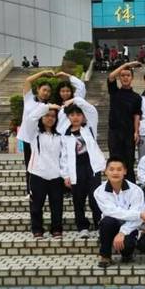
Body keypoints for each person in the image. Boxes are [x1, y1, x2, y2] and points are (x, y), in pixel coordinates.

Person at [60, 97, 105, 237]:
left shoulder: (89, 128)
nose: (75, 117)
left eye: (78, 114)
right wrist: (65, 175)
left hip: (91, 168)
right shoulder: (64, 134)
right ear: (68, 117)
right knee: (78, 199)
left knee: (95, 198)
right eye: (72, 115)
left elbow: (91, 110)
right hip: (76, 169)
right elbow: (63, 157)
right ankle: (82, 227)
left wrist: (74, 99)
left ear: (83, 116)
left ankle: (99, 225)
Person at [22, 102, 64, 239]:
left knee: (57, 205)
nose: (50, 118)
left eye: (53, 116)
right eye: (47, 115)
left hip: (56, 175)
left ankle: (56, 229)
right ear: (41, 117)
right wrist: (48, 106)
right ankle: (37, 229)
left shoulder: (60, 135)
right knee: (36, 205)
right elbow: (31, 118)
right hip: (37, 174)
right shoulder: (34, 133)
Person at [94, 156, 145, 268]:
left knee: (127, 246)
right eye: (111, 169)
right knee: (107, 221)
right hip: (110, 226)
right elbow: (111, 212)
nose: (115, 172)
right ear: (105, 171)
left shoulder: (136, 191)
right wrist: (138, 214)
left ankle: (127, 254)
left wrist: (122, 232)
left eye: (119, 169)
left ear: (125, 171)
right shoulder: (99, 192)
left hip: (129, 226)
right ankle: (105, 256)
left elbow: (138, 218)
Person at [17, 70, 55, 196]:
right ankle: (30, 190)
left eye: (49, 91)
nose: (46, 93)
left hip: (41, 139)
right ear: (38, 89)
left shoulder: (49, 106)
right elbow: (27, 80)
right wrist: (43, 73)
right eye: (44, 90)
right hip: (28, 137)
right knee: (30, 163)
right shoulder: (29, 99)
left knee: (43, 163)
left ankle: (45, 189)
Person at [107, 61, 143, 182]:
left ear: (132, 78)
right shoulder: (114, 91)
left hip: (129, 132)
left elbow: (136, 115)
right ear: (119, 78)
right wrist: (127, 64)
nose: (125, 77)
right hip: (114, 132)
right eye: (122, 75)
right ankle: (115, 185)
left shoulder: (137, 97)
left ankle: (130, 187)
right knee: (115, 161)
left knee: (129, 161)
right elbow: (111, 76)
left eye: (128, 75)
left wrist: (136, 132)